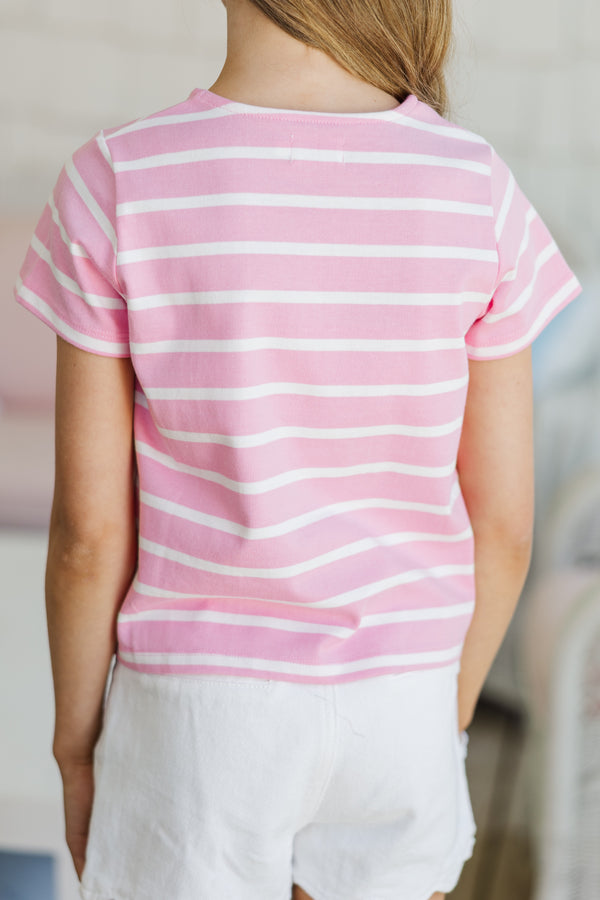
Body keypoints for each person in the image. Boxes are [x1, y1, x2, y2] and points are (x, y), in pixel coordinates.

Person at [14, 0, 582, 897]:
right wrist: (445, 715)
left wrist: (76, 746)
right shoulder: (476, 186)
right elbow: (504, 527)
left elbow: (89, 536)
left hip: (197, 716)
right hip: (401, 699)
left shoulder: (116, 179)